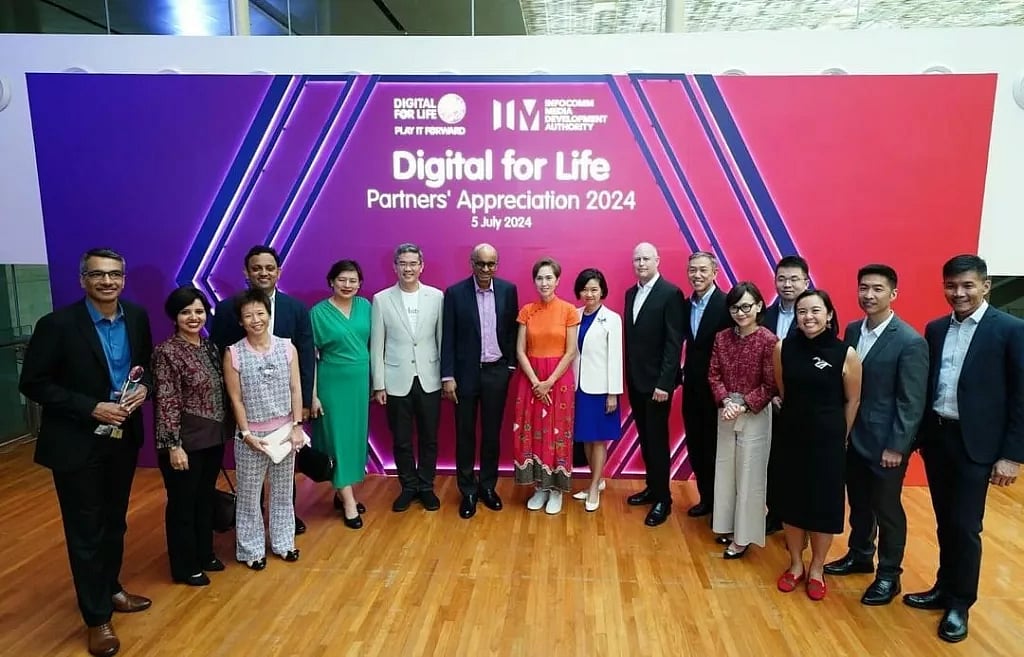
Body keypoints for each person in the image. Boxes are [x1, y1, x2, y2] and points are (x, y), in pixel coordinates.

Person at [20, 248, 154, 657]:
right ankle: (97, 619)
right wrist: (89, 406)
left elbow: (143, 363)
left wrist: (143, 388)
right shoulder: (57, 325)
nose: (107, 282)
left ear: (123, 279)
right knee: (85, 532)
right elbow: (34, 383)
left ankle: (111, 589)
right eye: (98, 275)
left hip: (121, 437)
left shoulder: (136, 316)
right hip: (76, 442)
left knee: (114, 523)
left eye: (114, 274)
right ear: (83, 280)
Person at [903, 254, 1024, 643]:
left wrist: (1012, 455)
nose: (959, 293)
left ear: (986, 286)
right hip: (940, 439)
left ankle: (960, 604)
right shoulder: (935, 329)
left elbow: (1021, 397)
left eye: (968, 285)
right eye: (952, 286)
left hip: (980, 445)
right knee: (944, 521)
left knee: (966, 526)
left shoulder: (1010, 330)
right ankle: (943, 586)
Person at [824, 265, 928, 606]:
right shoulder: (853, 330)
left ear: (893, 294)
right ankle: (860, 554)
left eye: (878, 289)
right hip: (854, 437)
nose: (869, 295)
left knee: (887, 509)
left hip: (886, 444)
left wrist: (898, 446)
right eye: (864, 288)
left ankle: (889, 575)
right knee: (859, 503)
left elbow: (911, 401)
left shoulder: (910, 341)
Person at [210, 245, 314, 535]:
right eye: (257, 268)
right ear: (246, 272)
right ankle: (251, 528)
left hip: (284, 408)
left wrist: (304, 402)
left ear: (279, 272)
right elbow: (219, 355)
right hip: (246, 407)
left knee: (284, 467)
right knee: (250, 473)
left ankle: (285, 520)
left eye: (269, 268)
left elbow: (305, 356)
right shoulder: (227, 308)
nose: (263, 273)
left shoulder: (295, 308)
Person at [773, 289, 862, 601]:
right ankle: (796, 564)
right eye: (802, 312)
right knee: (792, 502)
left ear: (829, 315)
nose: (808, 317)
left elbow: (852, 400)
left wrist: (840, 435)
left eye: (815, 311)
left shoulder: (845, 353)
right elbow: (784, 391)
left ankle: (817, 568)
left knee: (823, 506)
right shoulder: (783, 348)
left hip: (828, 443)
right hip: (790, 438)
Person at [152, 286, 231, 586]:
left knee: (204, 498)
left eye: (198, 311)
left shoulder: (210, 347)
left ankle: (205, 553)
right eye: (186, 312)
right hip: (183, 442)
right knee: (183, 504)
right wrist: (173, 445)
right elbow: (167, 401)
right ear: (175, 316)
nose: (193, 317)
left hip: (212, 437)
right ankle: (184, 566)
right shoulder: (166, 352)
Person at [224, 288, 306, 570]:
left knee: (283, 492)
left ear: (269, 316)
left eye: (260, 313)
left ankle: (284, 543)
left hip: (284, 433)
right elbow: (235, 398)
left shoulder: (287, 347)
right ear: (241, 321)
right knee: (248, 495)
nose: (255, 319)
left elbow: (296, 388)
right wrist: (246, 434)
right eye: (248, 315)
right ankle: (251, 550)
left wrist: (296, 426)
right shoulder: (233, 354)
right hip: (251, 437)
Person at [441, 243, 519, 519]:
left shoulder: (508, 291)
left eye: (491, 264)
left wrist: (510, 365)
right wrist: (447, 376)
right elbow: (447, 337)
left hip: (496, 373)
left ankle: (487, 487)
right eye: (481, 264)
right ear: (471, 263)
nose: (486, 269)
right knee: (464, 435)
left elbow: (511, 331)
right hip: (464, 376)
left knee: (491, 435)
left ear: (497, 264)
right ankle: (468, 491)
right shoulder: (454, 293)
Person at [370, 243, 445, 513]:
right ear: (395, 266)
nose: (408, 268)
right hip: (395, 380)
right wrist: (379, 383)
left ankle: (425, 486)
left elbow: (441, 340)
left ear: (421, 266)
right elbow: (376, 345)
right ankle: (408, 486)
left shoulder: (437, 297)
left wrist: (446, 376)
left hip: (430, 377)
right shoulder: (381, 299)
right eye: (403, 263)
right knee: (401, 439)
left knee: (429, 437)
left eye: (413, 263)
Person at [707, 282, 778, 559]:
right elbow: (713, 375)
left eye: (746, 306)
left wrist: (744, 405)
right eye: (735, 307)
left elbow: (771, 385)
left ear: (759, 306)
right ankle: (726, 526)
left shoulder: (768, 340)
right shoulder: (722, 338)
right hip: (725, 411)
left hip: (755, 414)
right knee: (726, 471)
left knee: (750, 475)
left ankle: (743, 536)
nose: (740, 312)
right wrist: (726, 401)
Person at [624, 242, 685, 527]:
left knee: (658, 442)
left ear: (657, 260)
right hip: (636, 381)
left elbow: (674, 344)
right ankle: (652, 487)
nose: (641, 263)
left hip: (658, 386)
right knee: (646, 439)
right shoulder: (630, 293)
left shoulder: (671, 294)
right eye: (637, 259)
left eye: (646, 258)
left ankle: (664, 499)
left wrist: (665, 383)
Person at [512, 257, 580, 514]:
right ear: (534, 281)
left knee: (557, 433)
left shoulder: (569, 311)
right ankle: (539, 487)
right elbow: (520, 351)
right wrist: (535, 382)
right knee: (532, 432)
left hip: (558, 382)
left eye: (549, 277)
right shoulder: (527, 310)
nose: (544, 282)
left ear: (558, 280)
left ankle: (556, 490)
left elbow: (571, 351)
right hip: (530, 380)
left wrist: (549, 382)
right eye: (540, 278)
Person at [310, 260, 372, 529]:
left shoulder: (366, 306)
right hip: (331, 383)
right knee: (336, 440)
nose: (348, 285)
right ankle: (348, 503)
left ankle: (341, 490)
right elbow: (310, 357)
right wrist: (312, 396)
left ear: (360, 283)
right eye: (342, 280)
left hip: (359, 382)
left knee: (352, 440)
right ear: (331, 281)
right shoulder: (318, 313)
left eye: (353, 281)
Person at [681, 251, 732, 519]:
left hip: (719, 391)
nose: (697, 275)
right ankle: (707, 499)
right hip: (692, 388)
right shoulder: (687, 304)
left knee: (719, 451)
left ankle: (724, 508)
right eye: (692, 270)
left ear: (715, 272)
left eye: (702, 270)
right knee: (697, 447)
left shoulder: (727, 304)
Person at [570, 268, 623, 512]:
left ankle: (594, 487)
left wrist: (613, 392)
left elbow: (615, 358)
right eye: (585, 289)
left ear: (602, 291)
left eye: (594, 289)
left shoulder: (612, 318)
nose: (589, 294)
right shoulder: (574, 315)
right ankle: (597, 479)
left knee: (598, 439)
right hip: (577, 386)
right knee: (585, 439)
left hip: (601, 389)